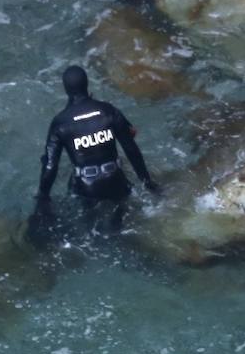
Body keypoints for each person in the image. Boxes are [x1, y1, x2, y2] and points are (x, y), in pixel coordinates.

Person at [33, 65, 161, 234]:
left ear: (66, 90)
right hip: (116, 181)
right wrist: (147, 182)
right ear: (87, 84)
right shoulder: (108, 111)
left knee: (90, 226)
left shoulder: (60, 122)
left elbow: (50, 165)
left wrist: (43, 197)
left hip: (87, 188)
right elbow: (131, 149)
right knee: (122, 221)